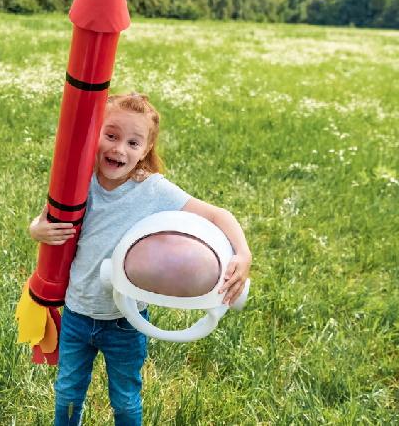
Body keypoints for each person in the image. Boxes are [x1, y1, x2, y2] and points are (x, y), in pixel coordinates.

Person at [28, 92, 253, 426]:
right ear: (95, 134)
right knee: (68, 392)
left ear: (146, 150)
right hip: (77, 312)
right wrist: (36, 230)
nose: (119, 149)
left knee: (125, 399)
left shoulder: (153, 190)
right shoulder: (80, 181)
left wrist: (244, 254)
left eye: (133, 143)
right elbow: (44, 219)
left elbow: (218, 215)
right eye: (111, 135)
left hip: (125, 320)